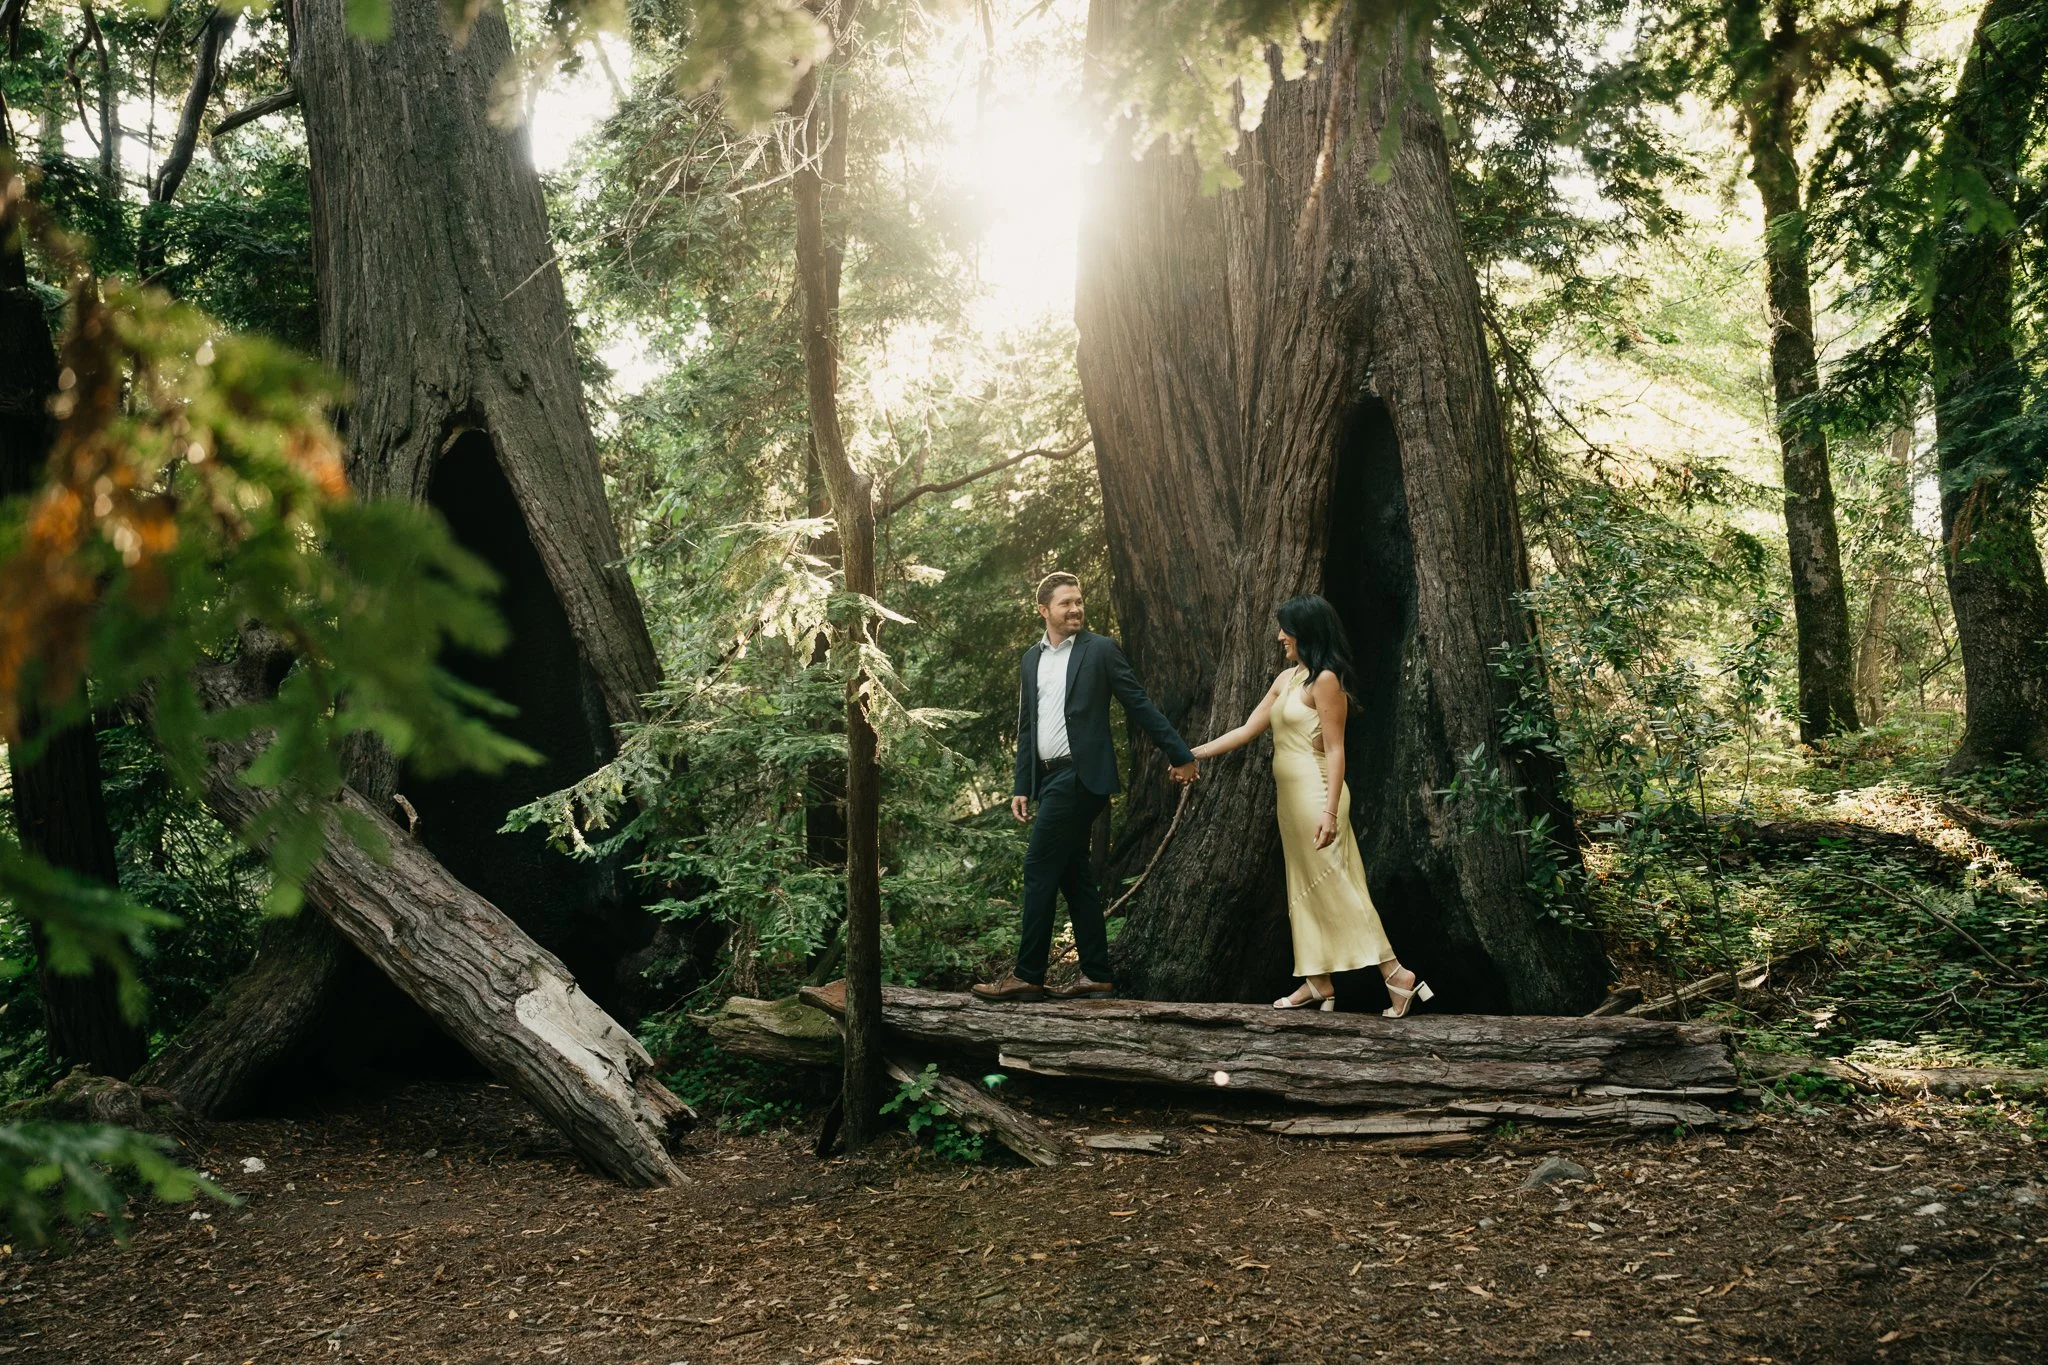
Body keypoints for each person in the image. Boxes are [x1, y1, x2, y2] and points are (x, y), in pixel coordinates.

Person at [1190, 594, 1432, 1017]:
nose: (1280, 635)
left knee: (1339, 883)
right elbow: (1248, 729)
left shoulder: (1326, 680)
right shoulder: (1287, 678)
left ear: (1308, 632)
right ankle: (1317, 980)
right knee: (1302, 889)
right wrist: (1192, 752)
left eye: (1287, 628)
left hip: (1319, 793)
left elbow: (1337, 750)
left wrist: (1330, 811)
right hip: (1290, 799)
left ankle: (1397, 975)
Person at [972, 572, 1200, 1002]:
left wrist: (1180, 753)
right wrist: (1023, 784)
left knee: (1039, 866)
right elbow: (1028, 727)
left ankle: (1028, 974)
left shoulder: (1101, 650)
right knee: (1075, 877)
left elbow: (1138, 703)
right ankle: (1097, 974)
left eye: (1078, 601)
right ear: (1044, 610)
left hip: (1082, 775)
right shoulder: (1030, 660)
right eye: (1065, 604)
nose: (1075, 609)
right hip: (1050, 778)